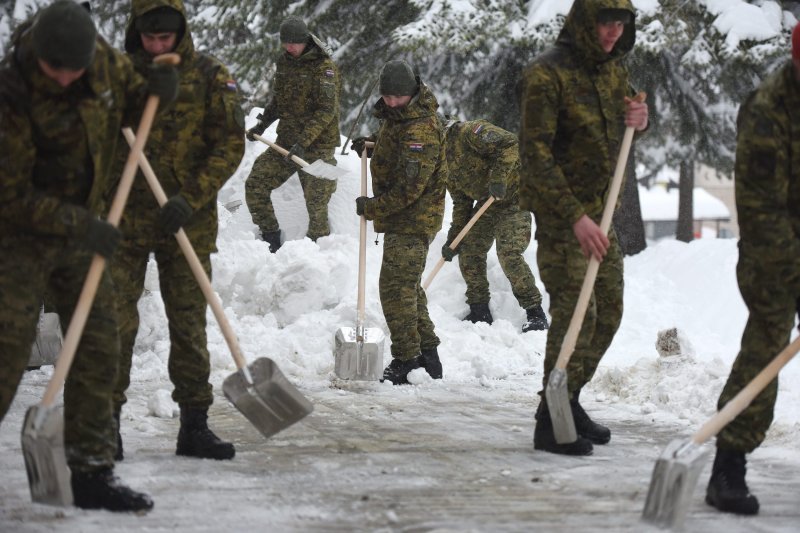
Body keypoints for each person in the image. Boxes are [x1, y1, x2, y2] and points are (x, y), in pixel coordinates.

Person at [0, 0, 177, 512]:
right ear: (37, 57)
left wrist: (156, 94)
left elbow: (131, 101)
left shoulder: (101, 61)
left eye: (74, 68)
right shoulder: (11, 92)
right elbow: (10, 197)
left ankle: (91, 472)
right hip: (19, 242)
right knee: (6, 358)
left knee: (100, 343)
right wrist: (85, 224)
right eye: (56, 69)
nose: (65, 77)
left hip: (81, 237)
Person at [111, 0, 244, 461]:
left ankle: (195, 426)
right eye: (149, 37)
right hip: (124, 219)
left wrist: (192, 196)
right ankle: (105, 426)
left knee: (188, 323)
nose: (158, 45)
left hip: (187, 217)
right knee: (115, 323)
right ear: (136, 31)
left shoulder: (209, 74)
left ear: (181, 31)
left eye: (166, 37)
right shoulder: (119, 74)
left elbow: (229, 142)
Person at [518, 0, 648, 455]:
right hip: (564, 220)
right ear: (584, 21)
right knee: (578, 316)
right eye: (604, 22)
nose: (613, 32)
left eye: (620, 23)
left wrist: (641, 121)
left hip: (603, 216)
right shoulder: (545, 75)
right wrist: (574, 217)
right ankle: (549, 424)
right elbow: (535, 156)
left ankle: (566, 400)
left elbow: (623, 124)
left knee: (608, 313)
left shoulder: (612, 71)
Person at [703, 23, 800, 517]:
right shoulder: (768, 109)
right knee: (766, 349)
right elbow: (762, 210)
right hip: (773, 253)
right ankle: (728, 466)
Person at [350, 60, 446, 384]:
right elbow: (395, 144)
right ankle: (429, 357)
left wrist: (373, 207)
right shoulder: (400, 116)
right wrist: (372, 144)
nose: (390, 102)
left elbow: (409, 189)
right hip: (403, 218)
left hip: (413, 219)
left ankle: (407, 359)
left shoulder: (422, 129)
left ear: (411, 93)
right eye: (386, 96)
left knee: (394, 290)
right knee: (409, 290)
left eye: (396, 97)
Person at [441, 118, 549, 332]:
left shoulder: (469, 132)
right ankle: (479, 310)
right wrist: (455, 239)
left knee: (509, 252)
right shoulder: (443, 164)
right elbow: (461, 203)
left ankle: (535, 313)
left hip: (515, 199)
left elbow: (510, 144)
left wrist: (498, 179)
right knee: (470, 250)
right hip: (487, 205)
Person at [245, 16, 341, 252]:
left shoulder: (324, 69)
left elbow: (326, 111)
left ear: (305, 40)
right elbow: (279, 100)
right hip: (286, 144)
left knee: (317, 203)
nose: (289, 48)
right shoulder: (284, 63)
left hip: (317, 148)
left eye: (294, 43)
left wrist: (304, 141)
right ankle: (270, 239)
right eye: (285, 43)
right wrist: (262, 124)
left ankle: (317, 254)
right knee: (256, 184)